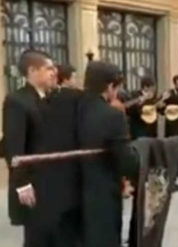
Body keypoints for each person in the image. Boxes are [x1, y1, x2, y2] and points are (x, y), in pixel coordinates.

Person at [2, 50, 81, 247]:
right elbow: (14, 146)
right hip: (34, 185)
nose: (54, 72)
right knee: (37, 239)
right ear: (32, 70)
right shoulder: (17, 101)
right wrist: (22, 184)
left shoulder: (48, 98)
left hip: (53, 183)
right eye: (48, 68)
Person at [77, 61, 139, 247]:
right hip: (101, 194)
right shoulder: (112, 116)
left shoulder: (68, 108)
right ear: (110, 86)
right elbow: (127, 161)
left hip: (69, 192)